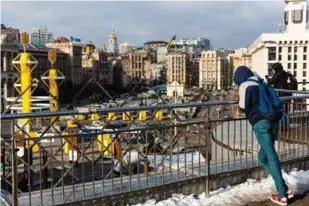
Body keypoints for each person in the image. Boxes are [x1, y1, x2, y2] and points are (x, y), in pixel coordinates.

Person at [234, 66, 293, 206]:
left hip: (261, 124)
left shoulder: (245, 85)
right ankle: (284, 188)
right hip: (273, 121)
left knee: (271, 157)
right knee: (263, 157)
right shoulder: (262, 82)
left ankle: (282, 195)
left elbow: (243, 107)